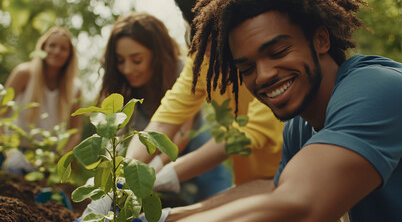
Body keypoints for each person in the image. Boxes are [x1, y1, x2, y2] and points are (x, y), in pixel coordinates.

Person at [160, 0, 402, 221]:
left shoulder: (381, 90)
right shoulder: (298, 127)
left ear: (321, 39)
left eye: (278, 52)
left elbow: (297, 206)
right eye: (247, 68)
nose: (263, 76)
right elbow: (275, 195)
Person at [125, 0, 284, 197]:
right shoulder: (202, 62)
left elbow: (248, 134)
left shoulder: (265, 58)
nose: (207, 48)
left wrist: (168, 172)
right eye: (199, 34)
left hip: (293, 174)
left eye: (215, 33)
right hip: (251, 185)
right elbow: (165, 120)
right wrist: (126, 171)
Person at [91, 11, 233, 209]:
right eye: (120, 61)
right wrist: (111, 178)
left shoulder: (180, 69)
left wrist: (156, 167)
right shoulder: (121, 88)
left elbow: (182, 132)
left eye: (137, 60)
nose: (128, 69)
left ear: (155, 55)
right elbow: (117, 139)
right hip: (148, 152)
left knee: (214, 193)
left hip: (190, 143)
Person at [3, 26, 82, 174]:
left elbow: (75, 132)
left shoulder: (75, 88)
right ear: (43, 47)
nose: (57, 51)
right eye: (52, 45)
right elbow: (1, 115)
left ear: (70, 55)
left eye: (63, 48)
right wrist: (11, 152)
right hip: (13, 152)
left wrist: (58, 160)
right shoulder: (24, 73)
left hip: (47, 158)